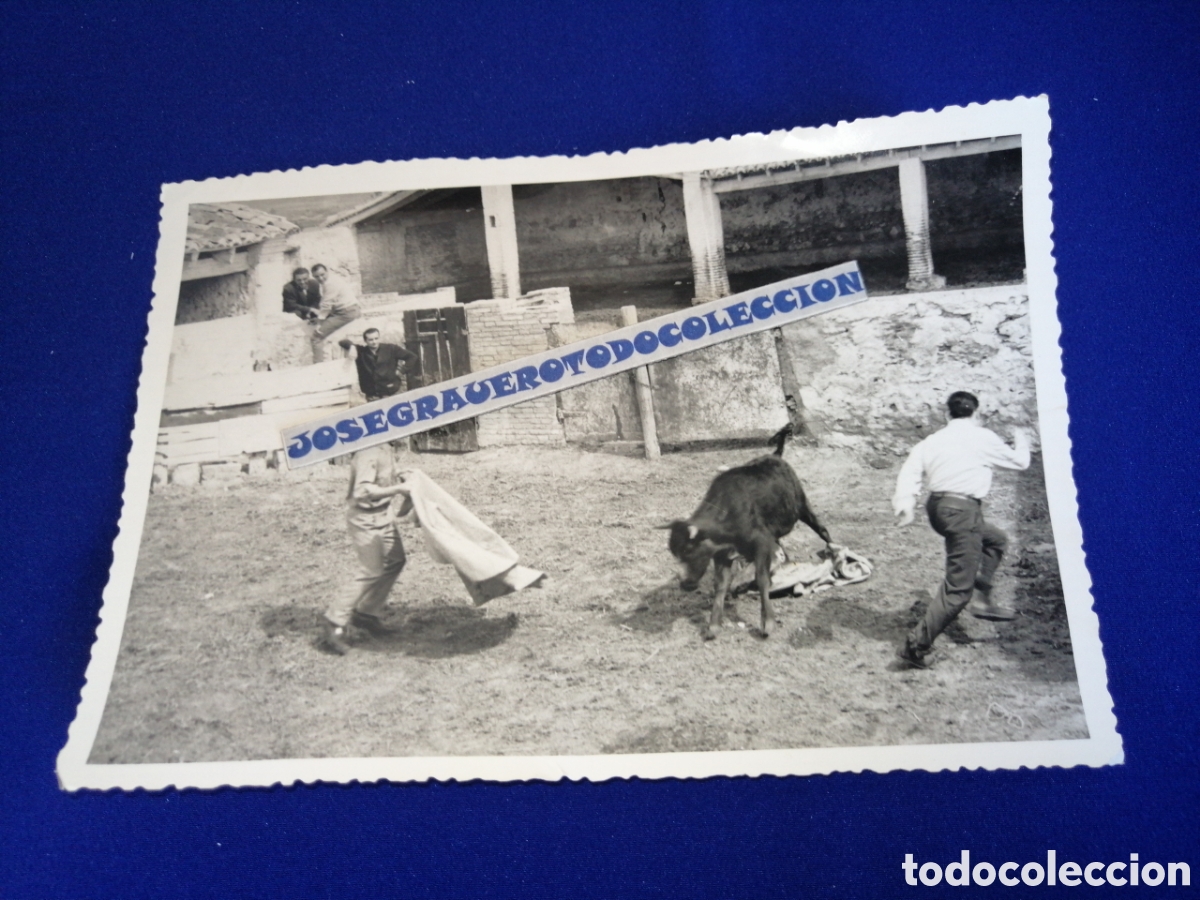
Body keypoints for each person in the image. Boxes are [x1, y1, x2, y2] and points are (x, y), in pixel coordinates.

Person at [892, 391, 1031, 669]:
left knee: (995, 540)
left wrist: (906, 505)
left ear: (947, 414)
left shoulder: (932, 440)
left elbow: (910, 470)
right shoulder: (983, 437)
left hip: (938, 509)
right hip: (962, 513)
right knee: (957, 590)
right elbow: (1021, 462)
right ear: (976, 414)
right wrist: (1021, 438)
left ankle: (983, 600)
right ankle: (915, 647)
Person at [320, 443, 412, 655]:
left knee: (396, 560)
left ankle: (366, 613)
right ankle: (334, 621)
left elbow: (383, 474)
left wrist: (402, 475)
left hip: (383, 515)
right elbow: (361, 491)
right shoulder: (367, 451)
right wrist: (398, 489)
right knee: (371, 570)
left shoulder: (385, 447)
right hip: (364, 519)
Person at [338, 327, 419, 401]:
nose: (374, 342)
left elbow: (412, 357)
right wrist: (352, 346)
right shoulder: (362, 352)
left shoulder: (391, 348)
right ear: (365, 341)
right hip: (372, 395)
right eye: (370, 340)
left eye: (376, 338)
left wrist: (401, 370)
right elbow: (342, 342)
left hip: (391, 391)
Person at [309, 263, 362, 362]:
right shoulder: (331, 280)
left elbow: (326, 306)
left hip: (346, 313)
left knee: (316, 337)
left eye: (322, 274)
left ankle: (318, 366)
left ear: (327, 271)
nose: (320, 278)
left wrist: (320, 323)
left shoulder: (330, 284)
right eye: (317, 276)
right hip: (346, 310)